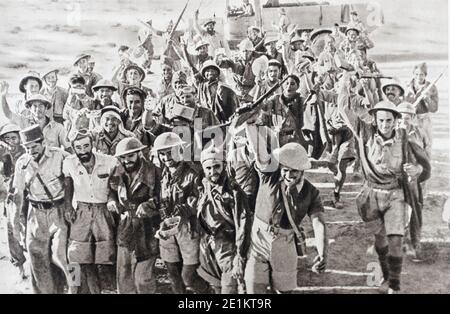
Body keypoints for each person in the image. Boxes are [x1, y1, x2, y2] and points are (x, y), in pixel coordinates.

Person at [338, 72, 430, 294]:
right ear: (375, 120)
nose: (386, 124)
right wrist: (344, 83)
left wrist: (416, 170)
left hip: (395, 195)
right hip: (372, 196)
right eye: (382, 120)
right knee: (381, 241)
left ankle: (394, 286)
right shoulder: (365, 133)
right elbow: (343, 109)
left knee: (395, 239)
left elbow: (424, 165)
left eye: (390, 120)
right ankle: (386, 275)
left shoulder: (404, 138)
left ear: (395, 120)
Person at [244, 125, 328, 293]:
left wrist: (323, 252)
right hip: (258, 240)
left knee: (285, 291)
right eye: (285, 170)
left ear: (303, 170)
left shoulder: (311, 192)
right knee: (253, 289)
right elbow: (259, 153)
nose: (289, 175)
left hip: (285, 243)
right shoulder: (269, 176)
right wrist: (250, 124)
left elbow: (319, 222)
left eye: (294, 171)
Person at [11, 125, 74, 294]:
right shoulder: (22, 163)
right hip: (35, 214)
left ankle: (77, 288)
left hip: (58, 211)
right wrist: (18, 221)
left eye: (34, 146)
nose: (31, 151)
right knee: (38, 260)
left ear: (43, 142)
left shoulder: (60, 156)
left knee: (65, 257)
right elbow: (18, 194)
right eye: (27, 147)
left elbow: (72, 180)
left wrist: (69, 206)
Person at [152, 132, 210, 294]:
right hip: (167, 225)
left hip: (188, 228)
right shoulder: (163, 174)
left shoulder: (193, 172)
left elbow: (199, 200)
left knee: (188, 276)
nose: (166, 157)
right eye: (162, 154)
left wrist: (183, 210)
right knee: (172, 272)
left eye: (170, 152)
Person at [63, 129, 118, 294]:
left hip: (103, 211)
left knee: (106, 256)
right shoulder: (69, 162)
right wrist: (68, 206)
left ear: (92, 144)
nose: (83, 151)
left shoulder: (109, 161)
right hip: (81, 210)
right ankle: (74, 289)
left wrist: (112, 199)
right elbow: (68, 185)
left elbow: (115, 185)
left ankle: (106, 291)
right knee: (74, 255)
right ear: (73, 148)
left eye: (86, 146)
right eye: (78, 147)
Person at [108, 137, 161, 293]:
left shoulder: (154, 171)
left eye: (130, 156)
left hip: (147, 228)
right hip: (125, 226)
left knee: (142, 278)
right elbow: (111, 191)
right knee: (123, 275)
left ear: (139, 153)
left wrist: (149, 204)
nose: (126, 160)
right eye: (123, 157)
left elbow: (163, 197)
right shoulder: (118, 171)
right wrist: (111, 201)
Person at [196, 144, 251, 294]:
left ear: (224, 165)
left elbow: (243, 225)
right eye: (208, 168)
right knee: (216, 286)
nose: (213, 172)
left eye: (216, 166)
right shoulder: (204, 185)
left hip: (229, 245)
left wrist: (239, 256)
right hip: (208, 245)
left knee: (229, 289)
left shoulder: (234, 192)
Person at [1, 87, 70, 150]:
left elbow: (68, 147)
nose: (38, 109)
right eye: (34, 106)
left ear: (46, 108)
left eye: (41, 106)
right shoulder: (24, 122)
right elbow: (8, 114)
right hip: (32, 161)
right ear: (30, 108)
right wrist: (2, 95)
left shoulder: (58, 127)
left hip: (51, 162)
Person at [0, 123, 27, 280]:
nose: (11, 141)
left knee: (29, 231)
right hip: (10, 199)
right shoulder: (1, 153)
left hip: (28, 197)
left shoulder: (26, 151)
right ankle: (20, 267)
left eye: (14, 137)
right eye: (7, 138)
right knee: (11, 231)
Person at [405, 62, 439, 151]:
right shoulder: (407, 86)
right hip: (411, 119)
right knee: (412, 142)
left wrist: (427, 99)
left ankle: (426, 162)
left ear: (425, 75)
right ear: (413, 74)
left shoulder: (431, 87)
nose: (419, 77)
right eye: (416, 74)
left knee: (427, 143)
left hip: (425, 120)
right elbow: (402, 104)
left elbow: (434, 109)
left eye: (421, 74)